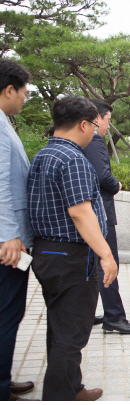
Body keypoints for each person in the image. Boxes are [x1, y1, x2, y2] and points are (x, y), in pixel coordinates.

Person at [27, 95, 118, 401]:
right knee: (73, 332)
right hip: (71, 257)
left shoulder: (45, 154)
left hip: (48, 253)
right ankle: (60, 395)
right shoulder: (73, 159)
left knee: (60, 325)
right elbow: (81, 212)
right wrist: (106, 255)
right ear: (83, 124)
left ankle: (71, 386)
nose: (95, 130)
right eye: (94, 124)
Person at [83, 98, 130, 334]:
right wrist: (115, 183)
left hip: (89, 213)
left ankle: (88, 312)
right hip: (101, 214)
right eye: (107, 120)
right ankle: (114, 317)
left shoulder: (81, 142)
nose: (108, 126)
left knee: (91, 267)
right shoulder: (95, 140)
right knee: (109, 265)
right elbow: (101, 175)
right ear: (96, 118)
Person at [0, 59, 37, 401]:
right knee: (7, 311)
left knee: (10, 311)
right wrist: (8, 234)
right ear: (8, 89)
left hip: (12, 238)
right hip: (8, 243)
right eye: (23, 93)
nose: (25, 99)